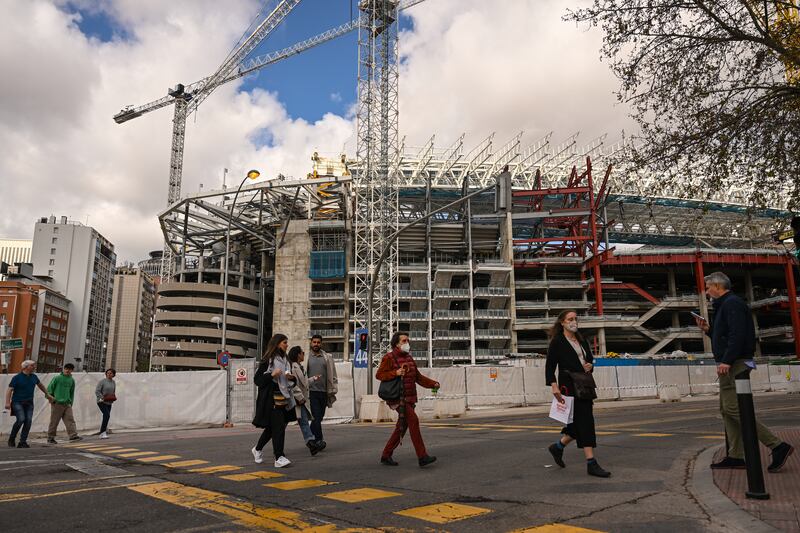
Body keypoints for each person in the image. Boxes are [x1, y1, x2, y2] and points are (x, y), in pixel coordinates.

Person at [695, 271, 794, 472]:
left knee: (733, 408)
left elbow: (737, 335)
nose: (706, 291)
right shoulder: (725, 306)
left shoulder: (732, 304)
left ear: (717, 286)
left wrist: (727, 360)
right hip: (732, 362)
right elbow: (725, 335)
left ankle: (777, 445)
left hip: (735, 363)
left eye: (708, 287)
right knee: (726, 409)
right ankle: (736, 456)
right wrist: (708, 329)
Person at [545, 310, 611, 478]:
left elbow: (589, 361)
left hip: (584, 384)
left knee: (577, 424)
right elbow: (550, 366)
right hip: (569, 385)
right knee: (586, 421)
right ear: (562, 322)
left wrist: (590, 366)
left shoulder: (581, 340)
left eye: (575, 319)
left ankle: (558, 447)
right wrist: (554, 386)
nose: (574, 322)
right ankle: (591, 463)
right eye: (570, 319)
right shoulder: (558, 342)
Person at [376, 331, 439, 468]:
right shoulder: (389, 357)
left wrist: (433, 383)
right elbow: (379, 375)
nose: (407, 343)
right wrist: (395, 373)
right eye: (404, 341)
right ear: (396, 344)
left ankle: (386, 455)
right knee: (413, 421)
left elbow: (418, 378)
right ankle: (422, 456)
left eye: (408, 341)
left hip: (409, 398)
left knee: (402, 427)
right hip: (397, 398)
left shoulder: (410, 359)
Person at [252, 334, 296, 468]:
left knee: (274, 428)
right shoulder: (268, 360)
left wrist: (292, 378)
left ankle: (257, 449)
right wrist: (271, 375)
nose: (287, 345)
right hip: (271, 399)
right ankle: (279, 457)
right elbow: (257, 380)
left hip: (285, 398)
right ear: (277, 344)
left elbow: (292, 381)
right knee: (278, 428)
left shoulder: (286, 360)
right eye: (284, 342)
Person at [5, 360, 54, 448]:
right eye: (32, 366)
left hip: (29, 403)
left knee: (28, 421)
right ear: (25, 367)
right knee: (21, 419)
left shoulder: (34, 377)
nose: (34, 367)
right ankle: (12, 438)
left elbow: (41, 385)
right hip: (17, 402)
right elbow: (9, 390)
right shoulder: (17, 377)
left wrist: (47, 394)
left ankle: (22, 442)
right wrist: (7, 402)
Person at [287, 346, 321, 455]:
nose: (303, 354)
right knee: (299, 422)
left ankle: (311, 442)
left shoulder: (300, 367)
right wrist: (300, 397)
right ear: (298, 354)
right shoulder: (292, 367)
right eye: (302, 352)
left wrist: (313, 379)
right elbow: (292, 384)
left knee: (304, 422)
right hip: (296, 400)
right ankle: (311, 442)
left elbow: (304, 383)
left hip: (301, 400)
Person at [306, 334, 338, 451]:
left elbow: (333, 374)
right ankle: (319, 440)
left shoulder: (327, 357)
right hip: (311, 392)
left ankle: (310, 438)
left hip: (324, 392)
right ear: (311, 343)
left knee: (319, 417)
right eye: (314, 342)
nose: (316, 344)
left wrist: (333, 388)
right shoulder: (306, 357)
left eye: (318, 342)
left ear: (321, 344)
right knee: (316, 416)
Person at [47, 363, 81, 444]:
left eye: (69, 369)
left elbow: (71, 392)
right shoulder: (57, 378)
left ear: (72, 370)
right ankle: (50, 437)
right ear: (63, 369)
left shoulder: (71, 380)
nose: (67, 370)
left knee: (70, 420)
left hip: (67, 403)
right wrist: (51, 400)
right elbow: (49, 389)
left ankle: (73, 436)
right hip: (57, 403)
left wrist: (71, 402)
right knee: (54, 421)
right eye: (66, 368)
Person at [95, 369, 117, 439]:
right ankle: (102, 432)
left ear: (113, 374)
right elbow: (97, 391)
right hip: (101, 401)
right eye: (108, 373)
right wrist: (103, 398)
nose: (109, 374)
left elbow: (113, 391)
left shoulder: (113, 382)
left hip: (109, 401)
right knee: (107, 415)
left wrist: (112, 397)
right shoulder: (102, 381)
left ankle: (103, 431)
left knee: (106, 416)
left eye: (111, 373)